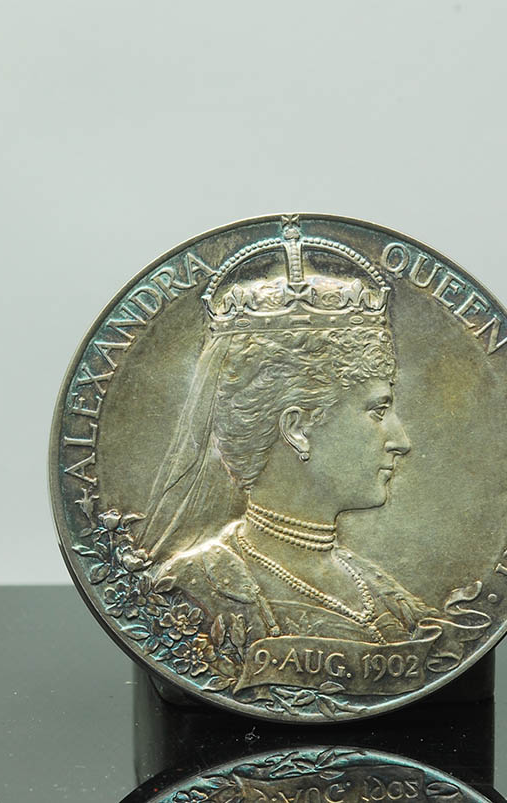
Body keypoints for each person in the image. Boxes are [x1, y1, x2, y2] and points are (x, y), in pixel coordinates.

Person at [140, 217, 440, 647]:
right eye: (378, 411)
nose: (401, 442)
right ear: (297, 429)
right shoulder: (192, 589)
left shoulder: (382, 593)